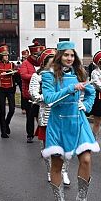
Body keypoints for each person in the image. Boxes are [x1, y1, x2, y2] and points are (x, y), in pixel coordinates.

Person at [41, 41, 99, 201]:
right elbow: (49, 99)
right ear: (59, 56)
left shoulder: (80, 73)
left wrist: (86, 105)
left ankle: (82, 198)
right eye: (66, 55)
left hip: (78, 121)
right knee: (57, 164)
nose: (69, 58)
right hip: (58, 123)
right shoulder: (49, 76)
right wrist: (70, 88)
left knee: (87, 159)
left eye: (72, 55)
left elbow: (91, 92)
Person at [29, 48, 70, 185]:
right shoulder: (38, 76)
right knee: (47, 147)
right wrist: (47, 97)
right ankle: (49, 171)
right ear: (45, 62)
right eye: (51, 60)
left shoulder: (63, 75)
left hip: (62, 114)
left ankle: (63, 171)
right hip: (46, 114)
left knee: (65, 144)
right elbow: (34, 94)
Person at [19, 41, 45, 143]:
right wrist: (37, 77)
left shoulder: (43, 63)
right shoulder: (26, 63)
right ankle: (29, 135)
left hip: (42, 94)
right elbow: (23, 75)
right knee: (30, 116)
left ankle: (42, 133)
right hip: (29, 95)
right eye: (36, 55)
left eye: (39, 55)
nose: (37, 57)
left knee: (42, 115)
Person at [19, 49, 29, 115]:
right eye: (23, 57)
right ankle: (23, 108)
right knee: (23, 94)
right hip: (21, 79)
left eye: (26, 56)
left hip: (28, 79)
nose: (25, 58)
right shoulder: (20, 63)